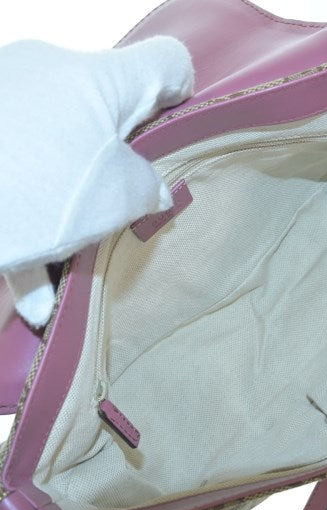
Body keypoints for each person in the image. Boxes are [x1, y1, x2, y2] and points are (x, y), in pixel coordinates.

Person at [0, 35, 195, 328]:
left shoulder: (38, 61)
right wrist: (156, 194)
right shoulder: (94, 92)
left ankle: (31, 288)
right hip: (51, 191)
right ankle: (30, 277)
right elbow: (126, 185)